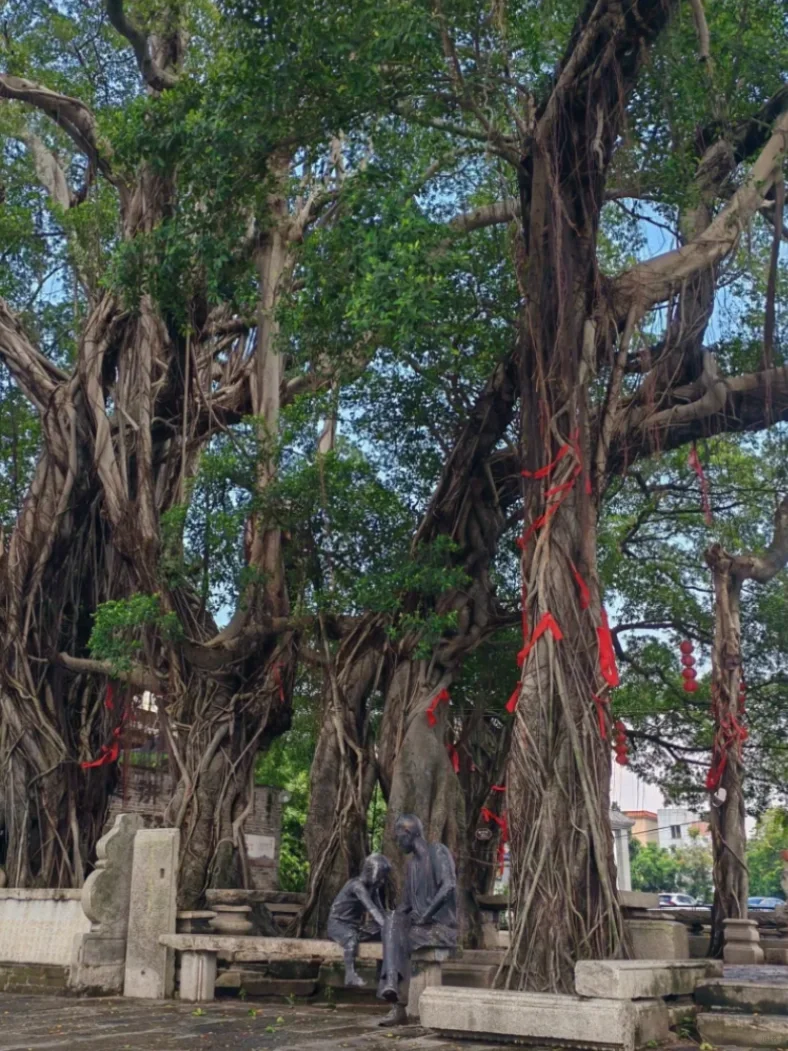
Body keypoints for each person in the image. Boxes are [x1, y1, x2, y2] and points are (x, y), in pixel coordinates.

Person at [377, 813, 458, 1026]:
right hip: (419, 927)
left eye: (397, 837)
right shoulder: (411, 866)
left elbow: (449, 885)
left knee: (397, 937)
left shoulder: (437, 851)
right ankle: (393, 990)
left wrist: (426, 914)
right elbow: (405, 906)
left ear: (407, 832)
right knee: (392, 922)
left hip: (439, 927)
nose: (397, 842)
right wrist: (385, 919)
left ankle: (397, 1004)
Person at [327, 853, 390, 986]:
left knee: (381, 934)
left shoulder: (374, 889)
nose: (383, 881)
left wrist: (389, 925)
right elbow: (372, 909)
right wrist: (387, 925)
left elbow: (380, 911)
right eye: (381, 876)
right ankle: (350, 974)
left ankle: (381, 974)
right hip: (338, 925)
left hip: (353, 927)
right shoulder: (356, 886)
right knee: (351, 938)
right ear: (371, 871)